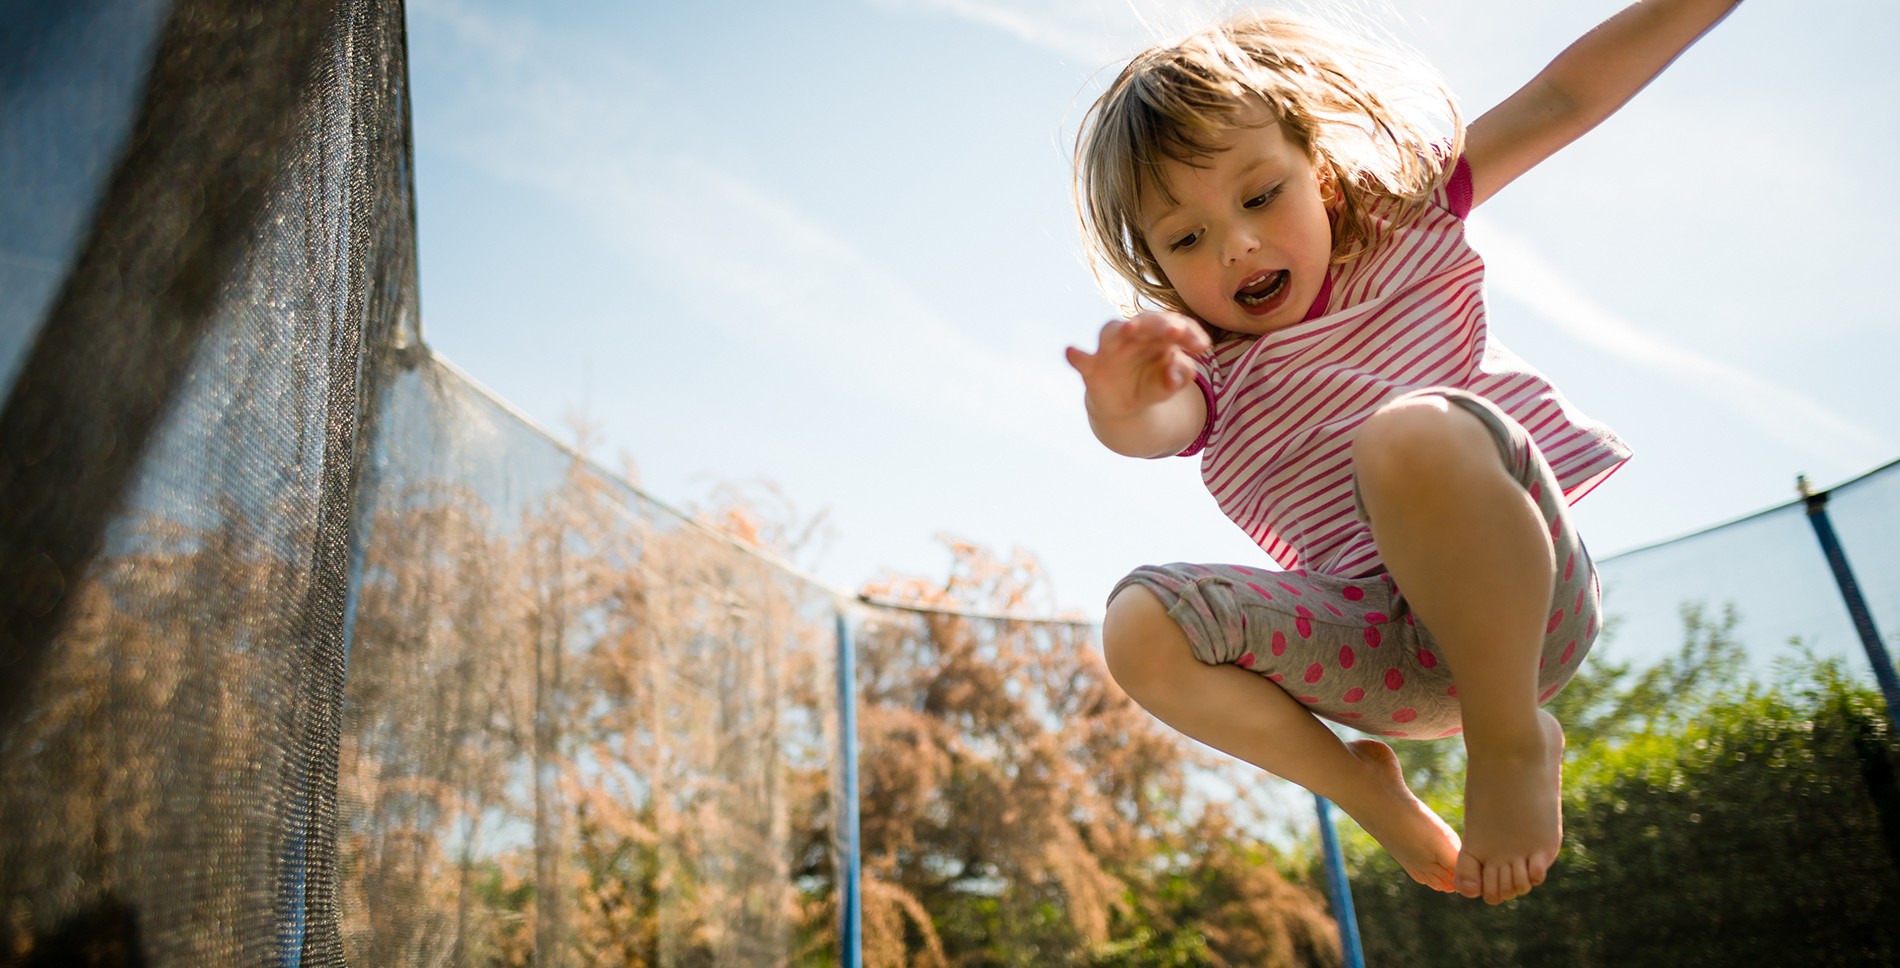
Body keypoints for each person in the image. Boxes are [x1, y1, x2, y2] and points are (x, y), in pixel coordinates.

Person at [1065, 0, 1740, 905]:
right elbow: (1154, 430)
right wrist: (1119, 406)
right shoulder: (1206, 368)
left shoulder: (1407, 229)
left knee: (1408, 432)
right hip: (1379, 657)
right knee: (1139, 625)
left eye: (1261, 195)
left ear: (1326, 180)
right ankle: (1365, 790)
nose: (1238, 244)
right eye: (1188, 238)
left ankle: (1512, 741)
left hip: (1523, 612)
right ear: (1157, 264)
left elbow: (1562, 99)